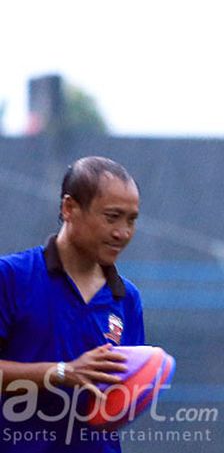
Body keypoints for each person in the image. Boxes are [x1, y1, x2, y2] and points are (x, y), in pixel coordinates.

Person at [0, 156, 145, 453]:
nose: (123, 233)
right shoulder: (11, 277)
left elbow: (119, 398)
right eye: (112, 217)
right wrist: (61, 372)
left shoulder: (127, 299)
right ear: (69, 208)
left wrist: (141, 385)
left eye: (131, 220)